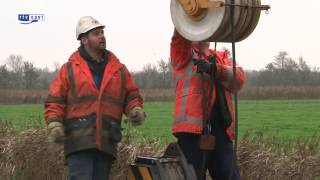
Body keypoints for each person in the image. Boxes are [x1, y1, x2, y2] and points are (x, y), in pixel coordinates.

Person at [44, 16, 146, 180]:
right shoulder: (69, 69)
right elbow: (55, 100)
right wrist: (54, 123)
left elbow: (131, 94)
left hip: (106, 143)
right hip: (79, 142)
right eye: (96, 33)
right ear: (84, 40)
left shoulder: (118, 69)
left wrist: (135, 108)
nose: (102, 36)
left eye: (102, 33)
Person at [170, 29, 246, 180]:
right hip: (192, 133)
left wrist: (215, 69)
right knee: (192, 177)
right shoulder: (183, 54)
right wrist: (187, 14)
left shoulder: (220, 58)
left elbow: (239, 79)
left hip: (221, 132)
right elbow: (180, 36)